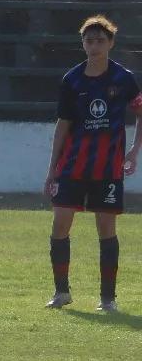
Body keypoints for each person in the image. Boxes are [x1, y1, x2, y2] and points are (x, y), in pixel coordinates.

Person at [43, 16, 142, 312]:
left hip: (108, 167)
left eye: (100, 40)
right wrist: (52, 169)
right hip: (72, 166)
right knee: (60, 224)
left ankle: (107, 299)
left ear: (110, 43)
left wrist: (135, 150)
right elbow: (63, 125)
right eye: (89, 41)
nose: (94, 46)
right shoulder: (71, 79)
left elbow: (140, 112)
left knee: (106, 228)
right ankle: (62, 292)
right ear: (82, 44)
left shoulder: (123, 78)